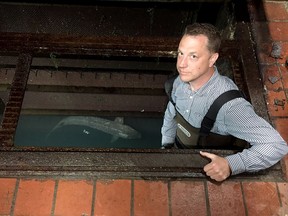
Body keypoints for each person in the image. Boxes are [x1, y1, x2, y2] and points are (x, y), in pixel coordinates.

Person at [161, 23, 288, 182]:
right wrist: (166, 145)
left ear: (212, 59)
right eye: (181, 53)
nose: (181, 64)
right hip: (178, 148)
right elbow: (171, 112)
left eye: (193, 56)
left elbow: (275, 145)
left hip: (205, 168)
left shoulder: (229, 107)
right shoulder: (178, 82)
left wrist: (231, 164)